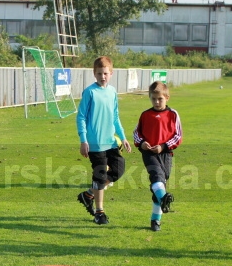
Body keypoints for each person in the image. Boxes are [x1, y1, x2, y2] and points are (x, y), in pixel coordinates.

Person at [75, 56, 132, 225]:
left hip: (111, 142)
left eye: (105, 73)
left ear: (111, 73)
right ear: (94, 74)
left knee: (118, 170)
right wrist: (84, 140)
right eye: (99, 73)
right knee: (100, 176)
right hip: (95, 143)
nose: (103, 76)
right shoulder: (90, 92)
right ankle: (99, 212)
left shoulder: (112, 92)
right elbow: (81, 117)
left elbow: (115, 117)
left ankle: (88, 195)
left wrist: (123, 137)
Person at [133, 81, 183, 231]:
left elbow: (178, 135)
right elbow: (136, 133)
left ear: (167, 97)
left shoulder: (173, 114)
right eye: (153, 99)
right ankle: (164, 199)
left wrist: (163, 146)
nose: (156, 102)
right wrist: (141, 143)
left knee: (160, 184)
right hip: (149, 154)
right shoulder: (145, 115)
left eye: (159, 99)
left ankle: (156, 219)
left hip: (166, 154)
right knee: (156, 176)